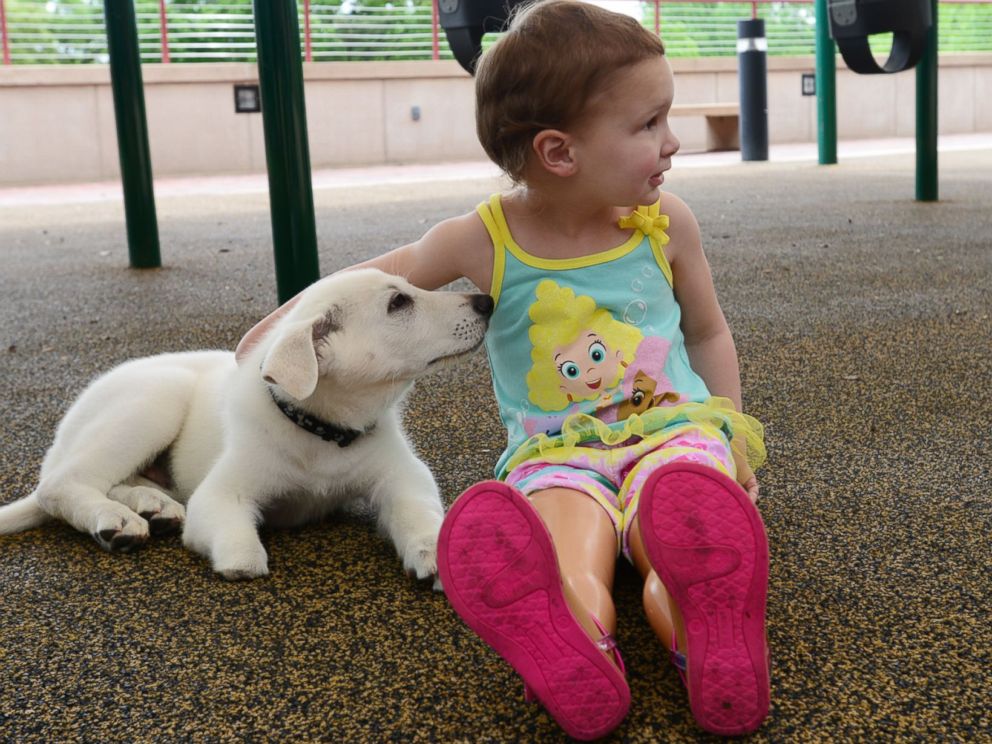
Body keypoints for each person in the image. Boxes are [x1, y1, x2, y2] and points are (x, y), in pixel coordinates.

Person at [237, 1, 769, 738]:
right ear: (560, 153)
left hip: (675, 435)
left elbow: (707, 331)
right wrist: (275, 334)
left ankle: (703, 627)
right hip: (558, 453)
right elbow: (367, 278)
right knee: (565, 546)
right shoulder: (480, 240)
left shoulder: (667, 222)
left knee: (676, 524)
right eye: (648, 124)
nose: (673, 141)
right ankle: (572, 643)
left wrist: (731, 435)